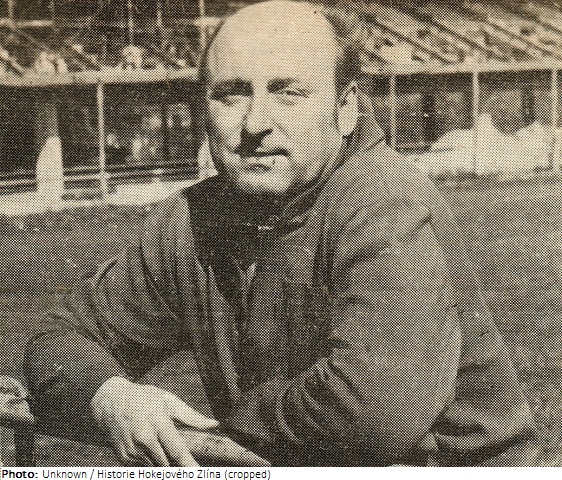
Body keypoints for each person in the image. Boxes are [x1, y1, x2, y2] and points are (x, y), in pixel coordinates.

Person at [25, 0, 541, 467]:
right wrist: (110, 396)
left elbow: (372, 414)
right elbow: (59, 338)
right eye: (231, 95)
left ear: (346, 108)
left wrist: (217, 432)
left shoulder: (385, 201)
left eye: (288, 93)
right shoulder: (193, 218)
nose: (255, 124)